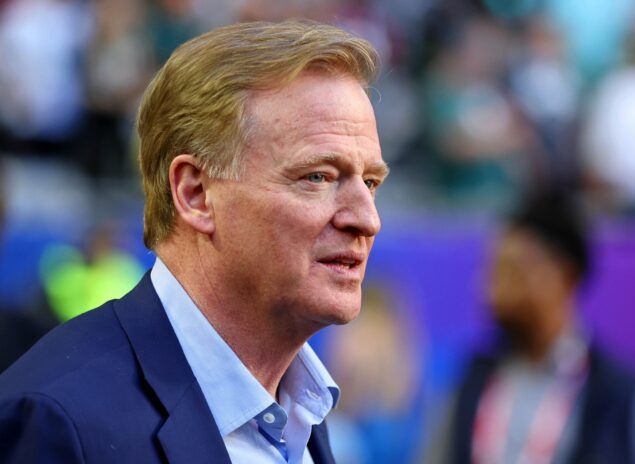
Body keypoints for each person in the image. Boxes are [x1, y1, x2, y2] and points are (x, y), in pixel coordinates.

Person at [0, 20, 388, 464]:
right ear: (195, 194)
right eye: (318, 177)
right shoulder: (56, 422)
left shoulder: (301, 414)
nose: (367, 219)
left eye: (371, 182)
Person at [432, 191, 635, 464]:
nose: (492, 291)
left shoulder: (626, 397)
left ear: (563, 275)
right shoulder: (471, 379)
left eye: (513, 271)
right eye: (493, 271)